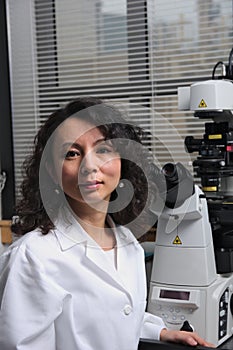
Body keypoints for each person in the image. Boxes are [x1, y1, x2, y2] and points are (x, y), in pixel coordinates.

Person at [0, 97, 214, 349]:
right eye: (72, 153)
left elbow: (110, 313)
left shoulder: (126, 242)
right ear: (51, 170)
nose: (90, 166)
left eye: (102, 150)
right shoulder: (34, 257)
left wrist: (159, 331)